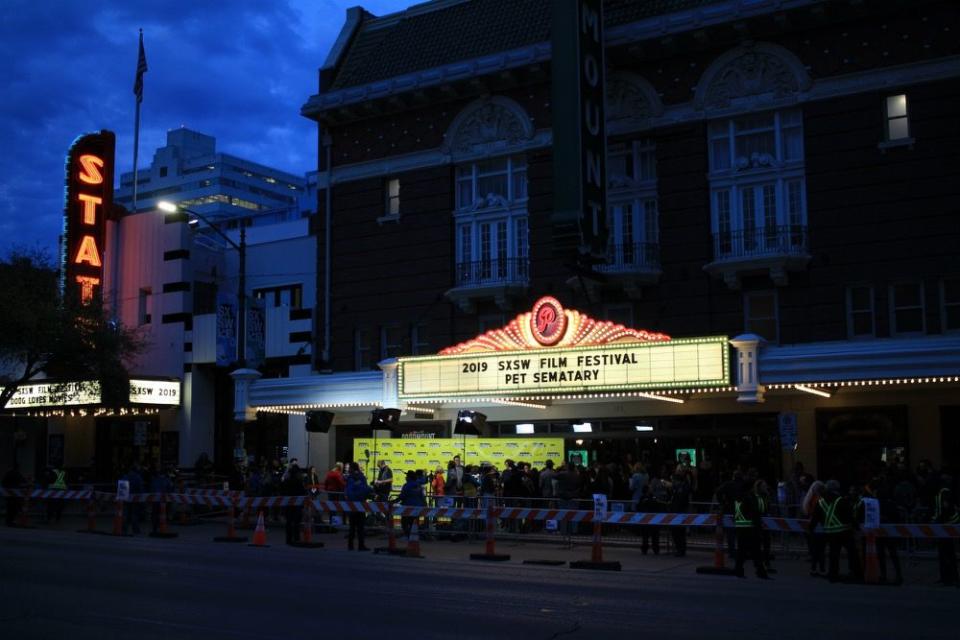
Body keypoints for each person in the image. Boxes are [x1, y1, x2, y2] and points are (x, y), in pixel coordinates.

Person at [808, 479, 862, 583]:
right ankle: (857, 573)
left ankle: (833, 575)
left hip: (830, 533)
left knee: (834, 554)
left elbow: (815, 518)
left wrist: (810, 530)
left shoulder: (820, 502)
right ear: (837, 489)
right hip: (845, 532)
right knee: (852, 553)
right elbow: (849, 517)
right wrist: (857, 527)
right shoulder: (841, 500)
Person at [733, 482, 770, 579]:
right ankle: (760, 572)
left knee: (742, 550)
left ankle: (739, 571)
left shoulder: (738, 498)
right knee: (756, 550)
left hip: (741, 526)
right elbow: (757, 512)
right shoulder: (751, 497)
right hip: (750, 527)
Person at [932, 485, 959, 586]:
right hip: (945, 528)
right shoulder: (946, 494)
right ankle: (950, 578)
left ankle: (948, 578)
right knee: (948, 555)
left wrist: (937, 521)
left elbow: (942, 512)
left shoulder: (943, 495)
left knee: (946, 555)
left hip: (944, 528)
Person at [345, 462, 372, 551]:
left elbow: (348, 492)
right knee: (360, 527)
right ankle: (361, 545)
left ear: (352, 469)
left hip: (352, 505)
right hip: (360, 505)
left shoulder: (350, 478)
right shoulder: (362, 477)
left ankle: (350, 546)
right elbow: (365, 489)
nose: (348, 470)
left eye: (349, 468)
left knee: (352, 527)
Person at [802, 480, 827, 576]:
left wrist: (810, 527)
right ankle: (821, 569)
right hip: (819, 526)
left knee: (814, 549)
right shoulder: (822, 499)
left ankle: (814, 568)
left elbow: (807, 512)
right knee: (820, 550)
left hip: (813, 525)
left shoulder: (810, 498)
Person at [281, 464, 306, 545]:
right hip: (297, 505)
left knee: (289, 522)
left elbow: (282, 491)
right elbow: (303, 492)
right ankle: (296, 538)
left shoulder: (286, 481)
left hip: (287, 504)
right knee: (296, 522)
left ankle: (288, 539)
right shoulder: (299, 482)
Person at [397, 470, 427, 537]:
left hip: (407, 508)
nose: (406, 477)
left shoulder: (407, 485)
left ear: (409, 477)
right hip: (417, 508)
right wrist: (424, 505)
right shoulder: (418, 485)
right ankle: (414, 536)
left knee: (405, 522)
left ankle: (408, 536)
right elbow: (422, 497)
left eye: (407, 476)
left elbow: (402, 496)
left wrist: (393, 501)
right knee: (414, 523)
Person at [670, 472, 691, 557]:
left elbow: (680, 500)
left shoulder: (681, 488)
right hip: (678, 512)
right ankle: (680, 549)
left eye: (673, 480)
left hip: (678, 512)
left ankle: (680, 550)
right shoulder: (679, 487)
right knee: (679, 533)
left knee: (678, 533)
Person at [149, 467, 174, 534]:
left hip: (155, 500)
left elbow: (151, 489)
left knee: (155, 514)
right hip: (164, 500)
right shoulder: (167, 480)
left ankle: (155, 528)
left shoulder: (154, 480)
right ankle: (162, 527)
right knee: (163, 514)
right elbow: (170, 489)